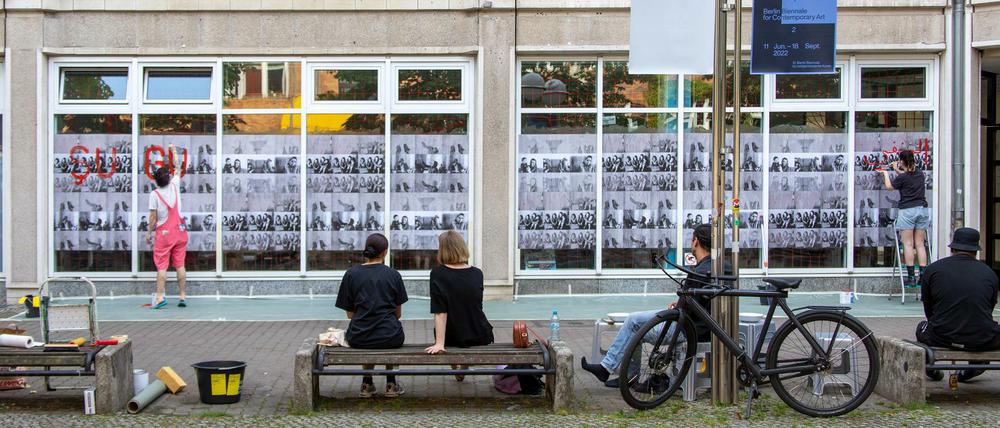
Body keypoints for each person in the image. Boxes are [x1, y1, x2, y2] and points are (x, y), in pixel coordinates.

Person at [580, 224, 716, 388]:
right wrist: (680, 303)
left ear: (696, 241)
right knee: (634, 320)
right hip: (696, 323)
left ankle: (613, 370)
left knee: (634, 324)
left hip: (686, 328)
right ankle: (622, 374)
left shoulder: (700, 270)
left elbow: (689, 304)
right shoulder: (713, 267)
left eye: (691, 238)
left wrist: (679, 306)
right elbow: (699, 300)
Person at [916, 227, 1000, 382]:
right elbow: (989, 307)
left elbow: (929, 309)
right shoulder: (989, 273)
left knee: (922, 327)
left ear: (953, 247)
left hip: (943, 336)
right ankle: (975, 366)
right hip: (982, 337)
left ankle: (932, 369)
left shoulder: (933, 269)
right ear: (975, 250)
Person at [335, 233, 408, 398]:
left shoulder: (351, 274)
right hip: (390, 336)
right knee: (388, 330)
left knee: (367, 332)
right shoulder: (393, 275)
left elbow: (349, 315)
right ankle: (391, 383)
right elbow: (398, 314)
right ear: (384, 252)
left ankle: (367, 383)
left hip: (359, 336)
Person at [424, 231, 494, 381]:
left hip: (452, 335)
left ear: (442, 251)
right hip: (478, 333)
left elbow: (440, 311)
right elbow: (475, 304)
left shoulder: (437, 274)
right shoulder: (477, 273)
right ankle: (463, 364)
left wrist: (439, 343)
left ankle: (456, 362)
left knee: (445, 329)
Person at [147, 144, 188, 309]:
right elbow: (179, 167)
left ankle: (159, 297)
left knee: (162, 265)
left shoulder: (154, 194)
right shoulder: (175, 185)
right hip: (180, 232)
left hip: (164, 234)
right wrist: (173, 151)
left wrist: (149, 233)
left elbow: (153, 217)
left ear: (156, 180)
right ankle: (183, 296)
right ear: (169, 178)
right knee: (180, 264)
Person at [881, 150, 928, 286]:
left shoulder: (903, 177)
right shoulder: (919, 173)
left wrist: (885, 173)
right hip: (922, 210)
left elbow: (890, 186)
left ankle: (911, 277)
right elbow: (907, 179)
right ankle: (923, 276)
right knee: (920, 244)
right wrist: (897, 170)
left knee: (908, 244)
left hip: (907, 211)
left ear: (902, 161)